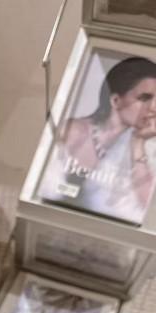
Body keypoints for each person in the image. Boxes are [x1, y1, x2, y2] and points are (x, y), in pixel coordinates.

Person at [42, 56, 156, 222]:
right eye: (144, 98)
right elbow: (42, 190)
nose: (154, 108)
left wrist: (138, 143)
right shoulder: (73, 131)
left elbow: (147, 210)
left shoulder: (144, 148)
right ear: (116, 101)